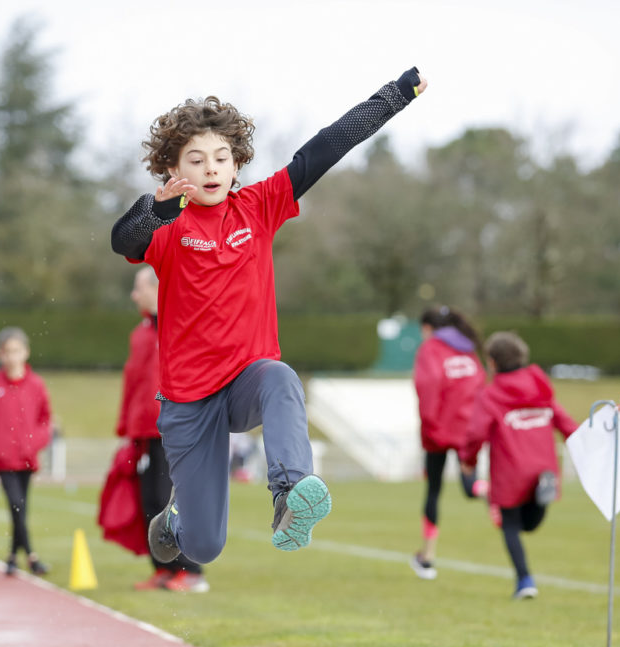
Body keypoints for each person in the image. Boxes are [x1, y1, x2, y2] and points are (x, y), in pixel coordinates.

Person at [111, 67, 428, 566]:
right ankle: (177, 517)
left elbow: (324, 149)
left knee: (281, 377)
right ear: (174, 171)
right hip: (190, 400)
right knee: (204, 548)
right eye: (196, 160)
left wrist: (396, 94)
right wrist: (156, 209)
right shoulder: (168, 226)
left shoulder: (258, 207)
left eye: (222, 158)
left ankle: (289, 494)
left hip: (246, 381)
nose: (211, 168)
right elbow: (123, 240)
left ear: (236, 166)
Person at [458, 332, 578, 600]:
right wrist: (586, 441)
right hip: (542, 467)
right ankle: (540, 496)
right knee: (531, 524)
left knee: (511, 525)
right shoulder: (541, 388)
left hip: (510, 471)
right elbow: (564, 421)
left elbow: (476, 433)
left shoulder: (490, 395)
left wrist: (468, 461)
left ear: (492, 362)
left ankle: (524, 579)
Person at [116, 266, 209, 592]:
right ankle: (164, 569)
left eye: (138, 287)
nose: (134, 294)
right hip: (144, 431)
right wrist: (125, 426)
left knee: (173, 502)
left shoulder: (182, 324)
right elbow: (134, 383)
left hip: (175, 429)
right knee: (149, 502)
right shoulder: (140, 333)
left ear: (157, 288)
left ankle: (191, 572)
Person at [408, 305, 486, 581]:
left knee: (433, 491)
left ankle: (427, 559)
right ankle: (490, 491)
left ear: (428, 328)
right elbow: (481, 385)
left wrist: (429, 427)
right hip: (467, 431)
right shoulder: (468, 350)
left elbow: (428, 387)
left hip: (438, 431)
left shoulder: (430, 350)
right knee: (470, 486)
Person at [0, 327, 52, 577]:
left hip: (27, 458)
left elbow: (45, 420)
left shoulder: (36, 385)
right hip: (4, 459)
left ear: (26, 353)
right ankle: (31, 555)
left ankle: (12, 556)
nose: (12, 357)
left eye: (17, 351)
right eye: (7, 352)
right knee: (16, 504)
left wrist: (34, 443)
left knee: (21, 507)